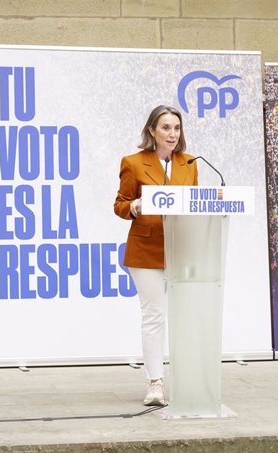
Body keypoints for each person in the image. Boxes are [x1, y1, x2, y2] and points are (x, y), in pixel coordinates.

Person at [113, 105, 198, 406]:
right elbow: (120, 205)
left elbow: (195, 205)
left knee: (185, 316)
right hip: (146, 250)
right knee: (154, 315)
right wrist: (134, 205)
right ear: (152, 130)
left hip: (181, 248)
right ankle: (155, 383)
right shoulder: (133, 163)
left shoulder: (190, 163)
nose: (172, 134)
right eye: (165, 127)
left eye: (176, 128)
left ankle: (190, 378)